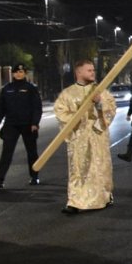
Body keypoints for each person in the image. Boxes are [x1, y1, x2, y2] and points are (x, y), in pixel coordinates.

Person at [54, 58, 116, 214]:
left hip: (97, 135)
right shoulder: (67, 93)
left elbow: (110, 110)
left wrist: (100, 103)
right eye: (89, 70)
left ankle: (104, 196)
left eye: (93, 70)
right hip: (78, 137)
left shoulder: (101, 92)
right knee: (78, 169)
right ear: (78, 72)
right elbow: (60, 112)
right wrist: (76, 121)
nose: (93, 72)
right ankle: (75, 201)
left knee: (100, 167)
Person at [0, 63, 42, 188]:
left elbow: (37, 107)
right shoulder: (7, 89)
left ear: (24, 73)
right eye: (16, 72)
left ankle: (34, 177)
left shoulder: (31, 88)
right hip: (11, 125)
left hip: (28, 125)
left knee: (32, 153)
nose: (18, 74)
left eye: (21, 72)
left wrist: (35, 123)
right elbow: (1, 109)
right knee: (6, 153)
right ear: (13, 73)